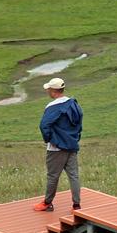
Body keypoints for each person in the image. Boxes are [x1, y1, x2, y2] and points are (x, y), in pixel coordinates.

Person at [33, 78, 83, 212]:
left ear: (53, 91)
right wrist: (75, 138)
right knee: (74, 176)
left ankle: (47, 203)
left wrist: (50, 140)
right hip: (72, 145)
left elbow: (44, 125)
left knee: (52, 176)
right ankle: (76, 205)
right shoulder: (74, 103)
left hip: (56, 148)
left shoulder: (52, 106)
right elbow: (79, 123)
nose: (47, 91)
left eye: (49, 89)